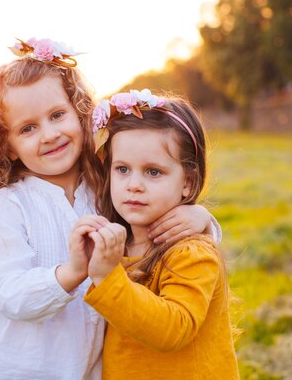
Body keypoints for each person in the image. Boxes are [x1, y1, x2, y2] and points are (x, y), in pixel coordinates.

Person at [0, 38, 221, 380]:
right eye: (28, 128)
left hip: (79, 366)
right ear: (7, 146)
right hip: (14, 366)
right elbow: (8, 292)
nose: (50, 134)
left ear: (80, 113)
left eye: (57, 115)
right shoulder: (9, 204)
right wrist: (72, 272)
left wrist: (201, 218)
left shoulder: (104, 186)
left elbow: (151, 221)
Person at [78, 91, 240, 379]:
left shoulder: (191, 252)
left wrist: (106, 277)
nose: (134, 185)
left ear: (188, 183)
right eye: (123, 169)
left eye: (153, 172)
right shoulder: (118, 241)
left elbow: (173, 329)